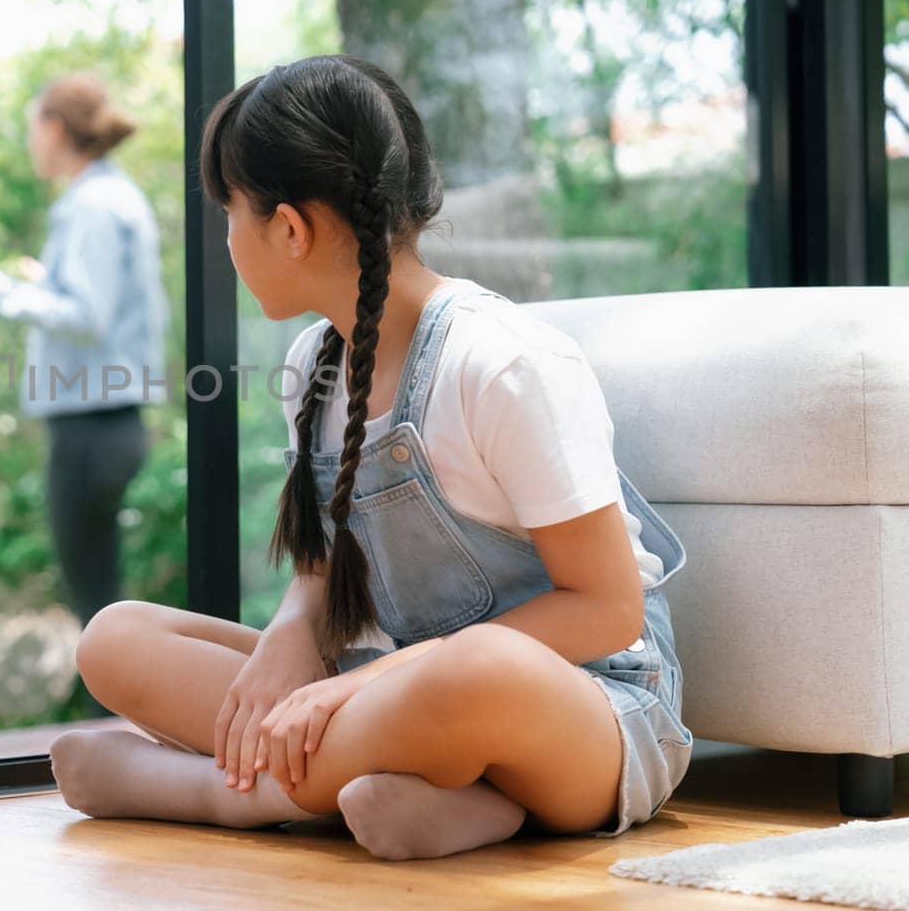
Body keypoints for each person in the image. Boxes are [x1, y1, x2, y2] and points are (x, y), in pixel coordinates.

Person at [44, 55, 692, 860]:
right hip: (393, 690)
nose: (227, 241)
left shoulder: (503, 363)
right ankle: (447, 800)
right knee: (115, 637)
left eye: (230, 214)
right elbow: (323, 569)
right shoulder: (313, 362)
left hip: (587, 707)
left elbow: (606, 610)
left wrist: (362, 683)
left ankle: (224, 794)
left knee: (478, 668)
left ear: (289, 228)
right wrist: (291, 634)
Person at [0, 73, 168, 711]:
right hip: (108, 420)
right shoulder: (112, 196)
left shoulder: (89, 204)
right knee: (103, 597)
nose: (33, 142)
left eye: (34, 129)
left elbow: (87, 315)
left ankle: (115, 735)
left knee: (98, 606)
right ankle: (122, 733)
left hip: (92, 425)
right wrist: (41, 281)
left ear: (55, 129)